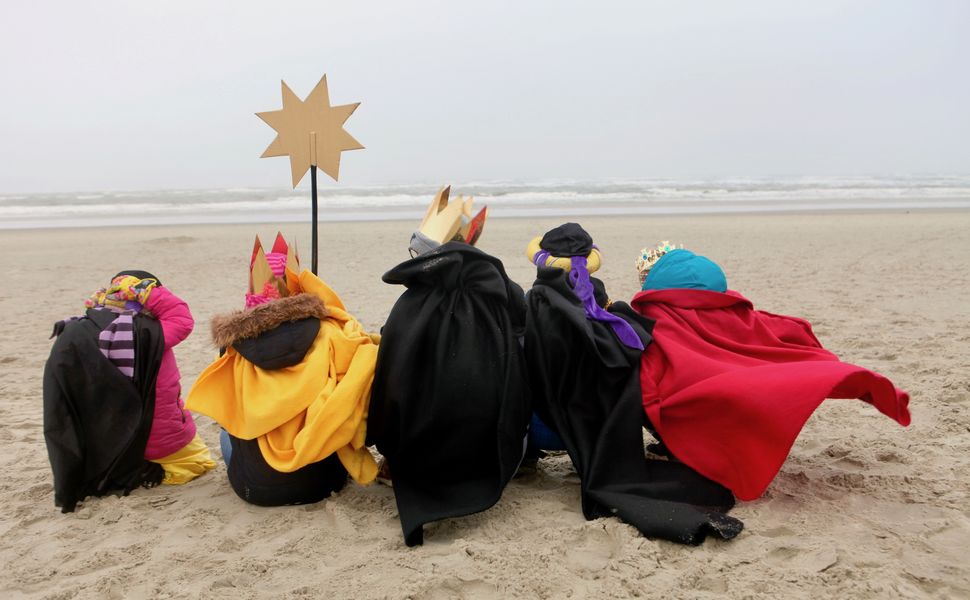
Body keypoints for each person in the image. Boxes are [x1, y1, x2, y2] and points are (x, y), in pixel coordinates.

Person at [631, 242, 911, 501]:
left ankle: (679, 450)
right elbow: (792, 332)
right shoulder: (740, 315)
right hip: (741, 399)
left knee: (644, 389)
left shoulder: (659, 320)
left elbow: (645, 371)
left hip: (694, 403)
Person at [523, 224, 742, 545]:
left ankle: (524, 460)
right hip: (605, 431)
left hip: (548, 430)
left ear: (544, 262)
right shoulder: (608, 308)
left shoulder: (535, 303)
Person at [367, 186, 531, 546]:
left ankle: (398, 465)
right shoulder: (505, 292)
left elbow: (388, 388)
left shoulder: (408, 307)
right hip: (495, 453)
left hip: (419, 457)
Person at [186, 234, 379, 506]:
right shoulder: (332, 334)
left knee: (227, 431)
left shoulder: (233, 348)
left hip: (256, 490)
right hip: (324, 482)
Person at [44, 271, 214, 512]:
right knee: (198, 460)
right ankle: (154, 469)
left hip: (111, 441)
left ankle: (136, 465)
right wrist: (147, 291)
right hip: (160, 437)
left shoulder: (84, 334)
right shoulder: (149, 335)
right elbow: (182, 318)